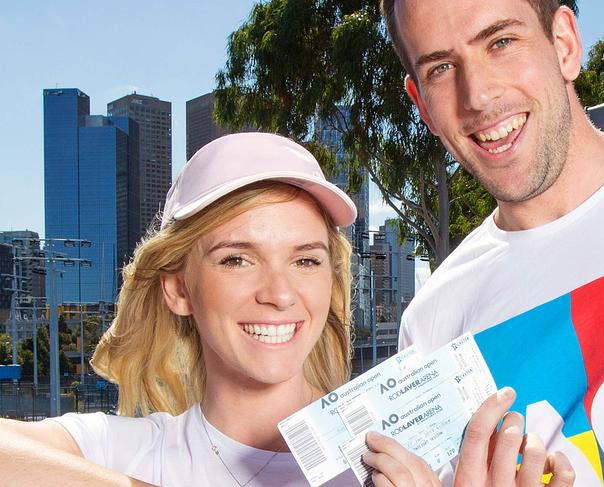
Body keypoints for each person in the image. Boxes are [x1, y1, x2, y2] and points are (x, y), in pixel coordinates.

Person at [0, 133, 572, 487]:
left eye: (305, 261)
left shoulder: (425, 459)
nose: (279, 293)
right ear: (178, 289)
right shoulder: (127, 451)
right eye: (236, 260)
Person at [380, 0, 604, 485]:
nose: (478, 96)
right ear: (422, 106)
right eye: (441, 68)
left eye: (501, 42)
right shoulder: (432, 328)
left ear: (564, 44)